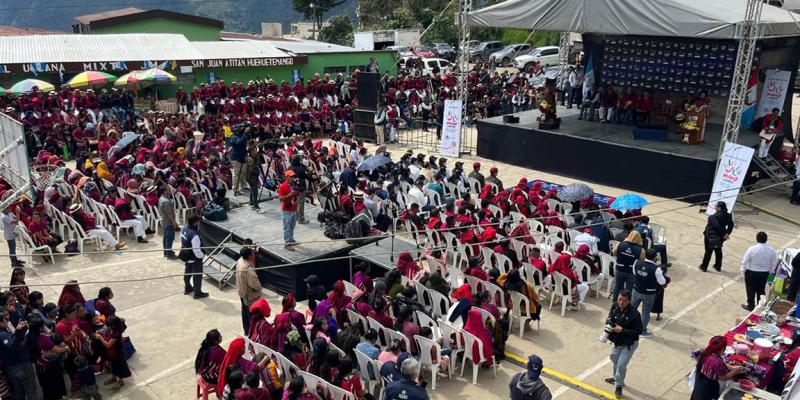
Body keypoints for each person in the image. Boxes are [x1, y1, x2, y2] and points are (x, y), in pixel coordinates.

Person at [603, 290, 642, 398]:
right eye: (620, 299)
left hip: (629, 343)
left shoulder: (634, 314)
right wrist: (608, 321)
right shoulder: (615, 306)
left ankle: (618, 386)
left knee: (621, 365)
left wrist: (622, 330)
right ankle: (616, 378)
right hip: (618, 341)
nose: (621, 302)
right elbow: (611, 317)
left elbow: (638, 332)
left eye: (624, 301)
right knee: (614, 358)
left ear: (629, 301)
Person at [630, 249, 666, 337]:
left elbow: (634, 273)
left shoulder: (637, 263)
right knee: (645, 312)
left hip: (636, 290)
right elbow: (662, 282)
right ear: (654, 258)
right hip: (649, 293)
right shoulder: (656, 269)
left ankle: (628, 325)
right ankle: (642, 331)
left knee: (632, 309)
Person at [740, 231, 777, 311]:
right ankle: (760, 305)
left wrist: (743, 270)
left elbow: (745, 260)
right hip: (764, 273)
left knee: (750, 289)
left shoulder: (752, 249)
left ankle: (751, 305)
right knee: (761, 289)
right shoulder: (771, 250)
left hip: (751, 272)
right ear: (766, 240)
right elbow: (774, 262)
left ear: (757, 239)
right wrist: (770, 271)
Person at [699, 201, 734, 272]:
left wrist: (725, 234)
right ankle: (718, 266)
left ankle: (704, 266)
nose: (715, 207)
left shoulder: (713, 217)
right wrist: (727, 234)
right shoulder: (728, 215)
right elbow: (731, 225)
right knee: (718, 251)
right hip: (721, 237)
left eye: (716, 206)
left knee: (708, 251)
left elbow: (717, 226)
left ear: (719, 208)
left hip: (711, 236)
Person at [611, 231, 645, 302]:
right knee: (629, 290)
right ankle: (627, 304)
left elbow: (614, 252)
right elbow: (642, 260)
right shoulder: (641, 250)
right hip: (631, 272)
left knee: (617, 287)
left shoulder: (620, 244)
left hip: (619, 269)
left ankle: (615, 302)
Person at [180, 215, 208, 299]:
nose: (200, 223)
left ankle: (187, 288)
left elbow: (181, 240)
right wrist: (201, 256)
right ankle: (197, 293)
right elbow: (196, 250)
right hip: (194, 258)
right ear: (195, 223)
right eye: (199, 221)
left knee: (187, 272)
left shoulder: (184, 228)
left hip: (186, 256)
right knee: (197, 276)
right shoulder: (194, 235)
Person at [236, 246, 262, 334]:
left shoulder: (240, 261)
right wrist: (260, 287)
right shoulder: (248, 269)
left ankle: (247, 332)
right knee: (253, 317)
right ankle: (253, 334)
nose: (254, 254)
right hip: (250, 296)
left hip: (242, 293)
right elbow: (255, 284)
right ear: (249, 256)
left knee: (245, 315)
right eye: (252, 253)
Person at [278, 170, 300, 249]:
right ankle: (287, 243)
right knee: (287, 227)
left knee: (292, 226)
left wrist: (297, 200)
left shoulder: (294, 185)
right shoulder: (282, 186)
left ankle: (291, 239)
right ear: (286, 177)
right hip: (286, 210)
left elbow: (298, 194)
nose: (292, 178)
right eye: (291, 176)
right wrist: (290, 195)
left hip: (293, 209)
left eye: (293, 176)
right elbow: (281, 199)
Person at [158, 185, 179, 259]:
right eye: (168, 190)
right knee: (169, 237)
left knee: (166, 237)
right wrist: (174, 222)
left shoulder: (161, 198)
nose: (170, 191)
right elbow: (168, 213)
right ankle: (169, 253)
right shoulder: (166, 201)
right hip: (168, 221)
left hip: (164, 221)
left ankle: (166, 252)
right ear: (164, 191)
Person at [244, 146, 261, 210]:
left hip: (252, 177)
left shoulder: (254, 157)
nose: (256, 151)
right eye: (254, 150)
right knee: (255, 191)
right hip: (251, 177)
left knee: (252, 190)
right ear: (251, 152)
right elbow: (251, 170)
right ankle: (255, 205)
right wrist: (257, 170)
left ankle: (251, 202)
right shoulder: (250, 159)